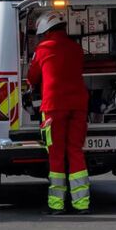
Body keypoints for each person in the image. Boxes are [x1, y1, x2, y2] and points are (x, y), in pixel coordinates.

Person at [27, 11, 91, 215]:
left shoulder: (43, 49)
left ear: (45, 31)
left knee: (56, 154)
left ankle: (57, 204)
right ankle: (82, 203)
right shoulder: (76, 48)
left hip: (53, 107)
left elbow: (32, 77)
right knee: (75, 151)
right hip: (79, 105)